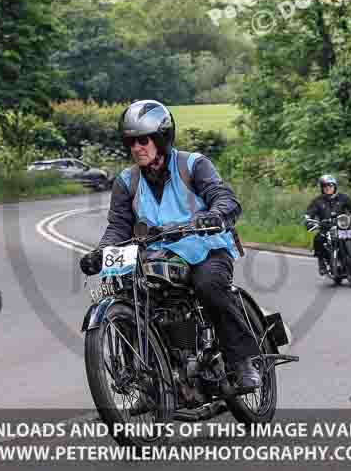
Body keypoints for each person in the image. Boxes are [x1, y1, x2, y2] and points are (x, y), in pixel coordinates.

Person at [79, 100, 262, 397]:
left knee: (210, 285)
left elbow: (223, 197)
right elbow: (118, 226)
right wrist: (101, 252)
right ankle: (149, 383)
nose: (136, 147)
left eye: (143, 140)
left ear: (162, 138)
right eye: (130, 142)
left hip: (205, 247)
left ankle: (242, 361)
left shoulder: (193, 165)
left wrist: (215, 215)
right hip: (156, 253)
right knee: (128, 293)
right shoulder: (126, 182)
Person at [305, 174, 351, 275]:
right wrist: (309, 221)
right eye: (325, 186)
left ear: (335, 186)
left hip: (343, 226)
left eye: (330, 185)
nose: (328, 188)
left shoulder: (343, 198)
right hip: (326, 227)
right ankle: (322, 263)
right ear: (322, 188)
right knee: (318, 238)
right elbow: (309, 213)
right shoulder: (317, 201)